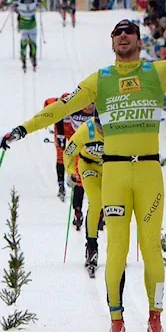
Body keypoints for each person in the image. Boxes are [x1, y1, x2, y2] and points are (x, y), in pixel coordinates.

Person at [0, 4, 166, 332]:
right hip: (115, 172)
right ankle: (117, 321)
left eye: (129, 32)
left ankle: (155, 319)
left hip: (149, 171)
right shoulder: (101, 79)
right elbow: (60, 108)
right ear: (112, 44)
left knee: (151, 247)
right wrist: (23, 129)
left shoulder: (158, 72)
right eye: (117, 33)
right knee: (117, 249)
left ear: (139, 41)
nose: (123, 36)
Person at [63, 114, 105, 277]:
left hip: (111, 167)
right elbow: (68, 151)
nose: (104, 131)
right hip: (89, 165)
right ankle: (92, 246)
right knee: (96, 201)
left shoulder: (118, 129)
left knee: (116, 202)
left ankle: (118, 248)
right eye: (101, 127)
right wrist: (71, 172)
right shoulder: (86, 130)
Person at [65, 102, 98, 228]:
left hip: (95, 149)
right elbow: (62, 118)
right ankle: (77, 211)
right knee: (79, 181)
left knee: (96, 182)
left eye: (93, 104)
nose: (90, 107)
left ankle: (99, 213)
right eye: (89, 104)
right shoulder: (76, 109)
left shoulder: (99, 113)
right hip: (79, 148)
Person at [6, 0, 44, 72]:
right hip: (23, 25)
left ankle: (33, 58)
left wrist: (41, 4)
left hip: (32, 25)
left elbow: (42, 3)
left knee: (33, 43)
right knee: (24, 42)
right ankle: (23, 59)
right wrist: (12, 3)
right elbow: (10, 1)